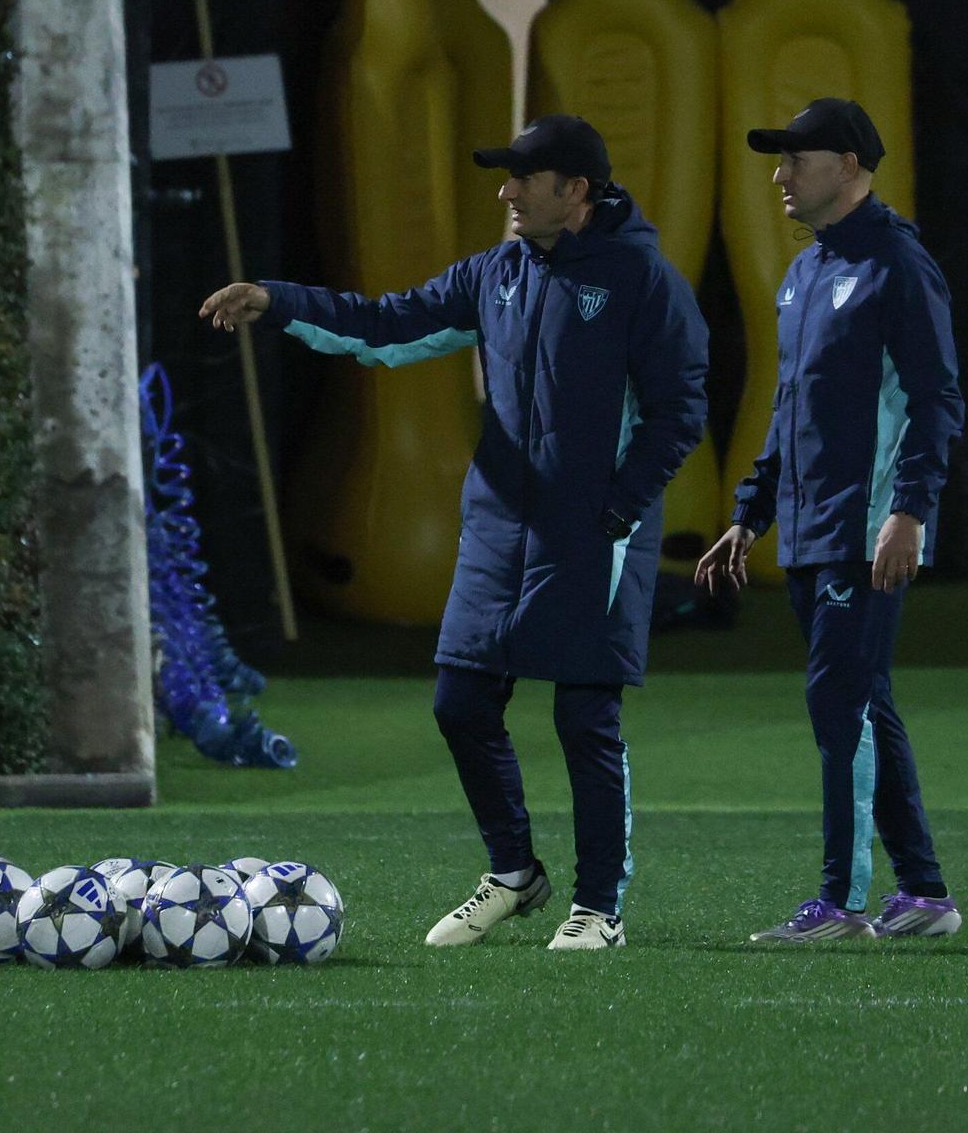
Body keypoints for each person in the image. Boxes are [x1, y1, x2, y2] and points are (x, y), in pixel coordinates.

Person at [200, 115, 707, 951]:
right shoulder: (495, 273)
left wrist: (617, 510)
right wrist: (277, 301)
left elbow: (679, 410)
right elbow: (390, 326)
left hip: (594, 532)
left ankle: (599, 908)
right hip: (499, 531)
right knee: (460, 702)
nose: (505, 192)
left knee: (586, 719)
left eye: (523, 179)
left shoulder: (642, 281)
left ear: (575, 190)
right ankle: (515, 873)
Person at [695, 98, 966, 942]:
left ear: (849, 165)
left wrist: (910, 510)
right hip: (815, 532)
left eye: (795, 161)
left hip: (868, 529)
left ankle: (842, 904)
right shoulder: (807, 270)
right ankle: (923, 894)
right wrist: (750, 513)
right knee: (860, 702)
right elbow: (791, 409)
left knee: (838, 704)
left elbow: (936, 397)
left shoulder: (897, 262)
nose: (779, 176)